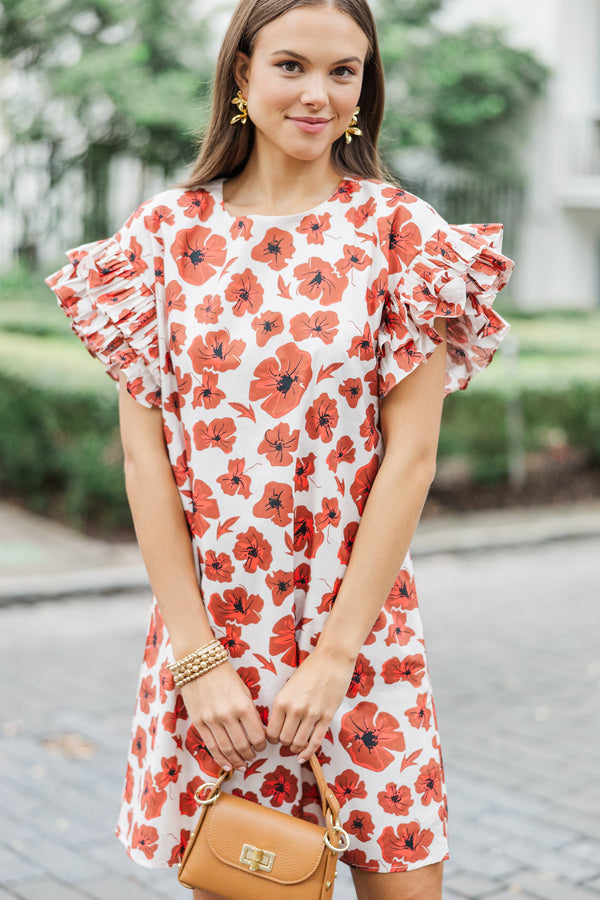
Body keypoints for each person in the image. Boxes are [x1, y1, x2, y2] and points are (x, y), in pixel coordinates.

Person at [45, 1, 513, 897]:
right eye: (292, 66)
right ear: (241, 76)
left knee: (406, 881)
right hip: (214, 647)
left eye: (345, 72)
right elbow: (148, 464)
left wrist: (335, 656)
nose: (320, 94)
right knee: (251, 883)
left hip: (360, 641)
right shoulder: (161, 240)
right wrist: (197, 661)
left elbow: (409, 461)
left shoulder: (402, 236)